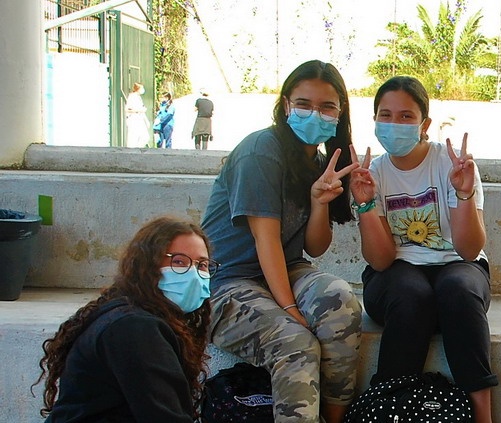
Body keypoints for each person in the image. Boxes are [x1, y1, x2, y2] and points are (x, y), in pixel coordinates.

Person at [200, 59, 362, 423]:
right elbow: (266, 239)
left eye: (327, 107)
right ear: (286, 104)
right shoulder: (261, 149)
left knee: (341, 302)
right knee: (295, 342)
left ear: (340, 113)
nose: (314, 114)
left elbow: (315, 248)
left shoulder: (321, 161)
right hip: (226, 281)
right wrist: (290, 309)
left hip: (285, 269)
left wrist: (320, 202)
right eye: (304, 104)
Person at [349, 75, 497, 423]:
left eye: (406, 116)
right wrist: (365, 204)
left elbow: (468, 250)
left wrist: (464, 193)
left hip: (456, 264)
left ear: (424, 124)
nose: (394, 124)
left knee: (459, 290)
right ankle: (388, 411)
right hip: (395, 273)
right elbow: (381, 259)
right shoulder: (372, 174)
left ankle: (483, 416)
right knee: (411, 295)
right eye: (385, 115)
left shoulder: (453, 165)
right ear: (374, 121)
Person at [35, 216, 217, 422]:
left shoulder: (134, 317)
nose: (193, 274)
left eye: (202, 265)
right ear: (147, 266)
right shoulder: (135, 327)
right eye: (178, 262)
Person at [125, 82, 151, 148]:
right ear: (138, 89)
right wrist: (138, 110)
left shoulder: (139, 97)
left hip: (140, 118)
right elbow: (127, 109)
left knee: (145, 137)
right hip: (134, 119)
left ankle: (137, 149)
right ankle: (131, 151)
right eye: (142, 88)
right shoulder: (132, 96)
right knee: (133, 138)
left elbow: (142, 110)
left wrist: (146, 121)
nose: (143, 90)